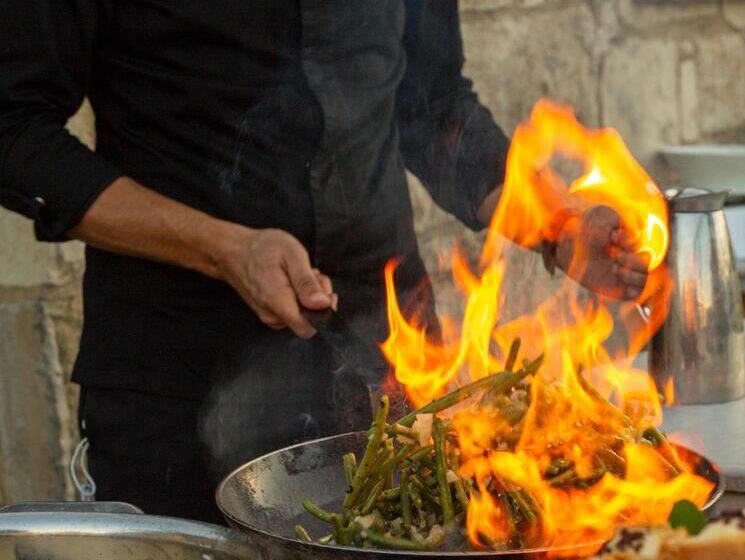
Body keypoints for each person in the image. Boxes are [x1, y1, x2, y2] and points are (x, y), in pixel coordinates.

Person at [0, 1, 647, 522]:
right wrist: (228, 249)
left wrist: (553, 222)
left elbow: (433, 104)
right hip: (182, 382)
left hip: (389, 376)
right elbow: (14, 129)